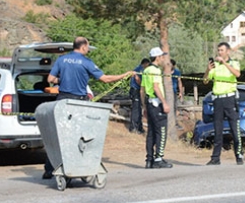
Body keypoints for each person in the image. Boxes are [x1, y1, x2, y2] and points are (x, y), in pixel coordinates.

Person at [43, 37, 134, 179]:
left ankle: (49, 169)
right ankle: (79, 166)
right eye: (88, 46)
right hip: (78, 103)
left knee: (59, 135)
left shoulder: (62, 60)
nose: (88, 49)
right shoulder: (86, 62)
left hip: (62, 101)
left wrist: (64, 80)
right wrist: (125, 75)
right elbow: (105, 79)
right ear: (83, 47)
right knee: (82, 135)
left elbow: (50, 79)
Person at [204, 42, 243, 165]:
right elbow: (205, 81)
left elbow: (237, 74)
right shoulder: (215, 65)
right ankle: (215, 158)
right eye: (218, 50)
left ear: (227, 52)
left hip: (229, 98)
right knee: (217, 129)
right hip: (217, 100)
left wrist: (225, 63)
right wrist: (207, 70)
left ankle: (239, 155)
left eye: (221, 50)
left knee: (234, 128)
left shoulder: (233, 63)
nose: (219, 52)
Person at [141, 47, 172, 169]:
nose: (163, 58)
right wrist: (164, 102)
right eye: (162, 56)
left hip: (149, 103)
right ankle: (158, 158)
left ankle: (149, 159)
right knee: (161, 131)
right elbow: (156, 87)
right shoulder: (155, 70)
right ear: (158, 57)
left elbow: (142, 90)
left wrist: (144, 106)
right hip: (156, 102)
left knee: (151, 132)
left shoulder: (146, 70)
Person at [130, 58, 150, 134]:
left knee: (139, 109)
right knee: (136, 109)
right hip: (135, 90)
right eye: (147, 65)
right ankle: (134, 128)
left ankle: (139, 127)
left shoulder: (138, 68)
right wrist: (143, 86)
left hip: (137, 90)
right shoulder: (140, 70)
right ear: (145, 63)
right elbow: (137, 79)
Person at [171, 59, 184, 127]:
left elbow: (179, 82)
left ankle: (174, 122)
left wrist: (180, 92)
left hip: (174, 91)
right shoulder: (165, 72)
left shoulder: (177, 72)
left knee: (174, 107)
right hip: (166, 92)